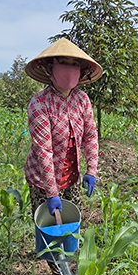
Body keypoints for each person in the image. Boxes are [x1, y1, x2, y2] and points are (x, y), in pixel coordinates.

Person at [24, 38, 102, 220]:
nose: (69, 68)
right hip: (43, 181)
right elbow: (44, 150)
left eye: (74, 64)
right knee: (48, 232)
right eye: (63, 63)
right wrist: (51, 192)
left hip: (71, 178)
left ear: (80, 70)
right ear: (50, 68)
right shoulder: (39, 103)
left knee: (71, 227)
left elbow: (90, 136)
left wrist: (91, 170)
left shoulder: (82, 100)